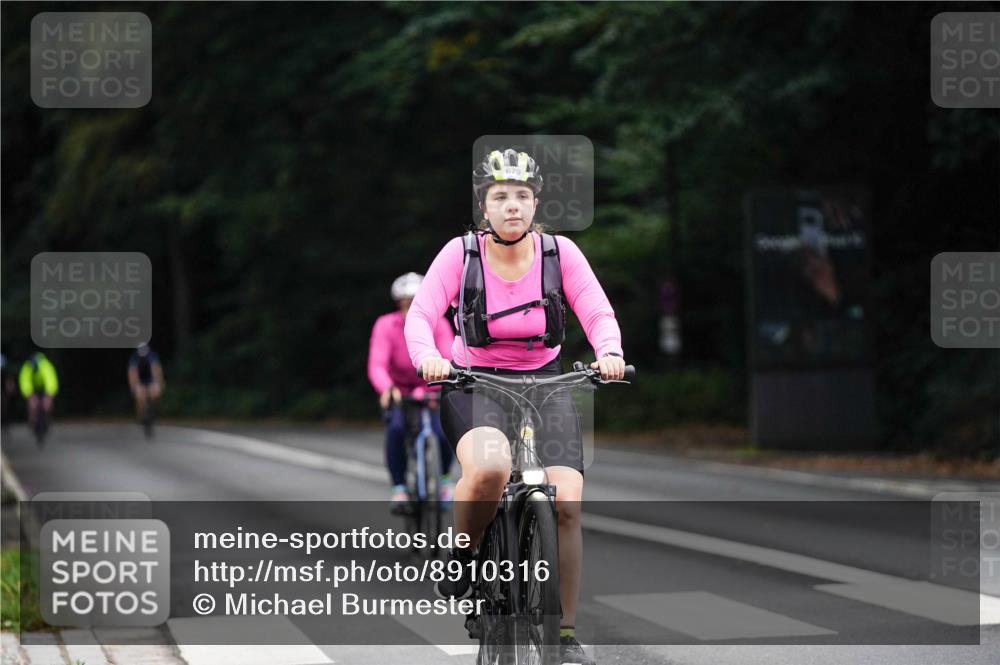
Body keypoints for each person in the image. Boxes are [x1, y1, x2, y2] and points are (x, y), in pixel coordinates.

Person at [405, 148, 626, 665]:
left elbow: (596, 310)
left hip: (545, 382)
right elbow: (421, 316)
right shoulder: (460, 255)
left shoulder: (559, 253)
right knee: (488, 468)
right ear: (485, 207)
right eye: (500, 196)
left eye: (522, 196)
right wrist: (430, 358)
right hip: (474, 380)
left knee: (567, 499)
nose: (512, 206)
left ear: (535, 204)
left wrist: (609, 352)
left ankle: (565, 635)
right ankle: (461, 552)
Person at [368, 272, 456, 512]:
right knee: (396, 429)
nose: (410, 308)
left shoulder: (439, 324)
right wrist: (386, 388)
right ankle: (399, 487)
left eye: (415, 302)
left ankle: (445, 478)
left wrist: (443, 382)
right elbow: (377, 363)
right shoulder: (386, 325)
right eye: (405, 303)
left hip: (432, 387)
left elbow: (449, 356)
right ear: (399, 305)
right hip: (400, 390)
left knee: (444, 431)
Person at [19, 352, 59, 437]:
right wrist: (29, 395)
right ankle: (32, 420)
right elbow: (24, 381)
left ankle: (48, 419)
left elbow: (51, 381)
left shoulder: (45, 365)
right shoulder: (27, 367)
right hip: (33, 388)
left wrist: (49, 395)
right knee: (32, 405)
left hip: (44, 388)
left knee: (47, 404)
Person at [128, 343, 164, 431]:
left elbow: (157, 369)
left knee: (154, 394)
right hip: (139, 379)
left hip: (150, 378)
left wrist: (159, 382)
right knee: (140, 397)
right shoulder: (134, 357)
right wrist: (134, 386)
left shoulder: (152, 356)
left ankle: (152, 413)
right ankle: (140, 417)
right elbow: (132, 373)